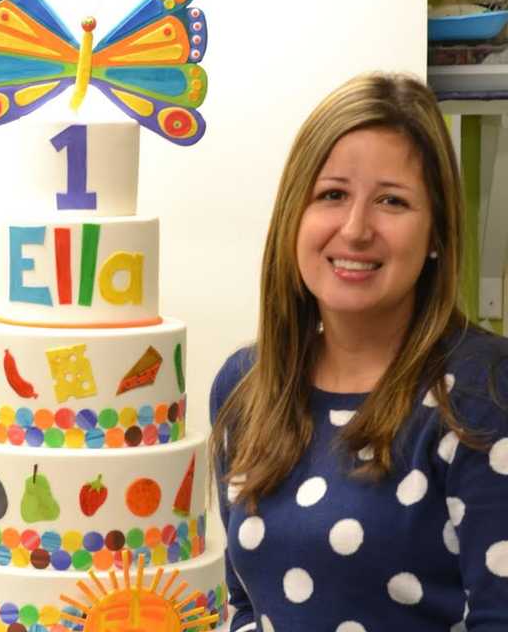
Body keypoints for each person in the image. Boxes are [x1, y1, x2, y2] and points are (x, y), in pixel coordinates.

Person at [209, 72, 508, 632]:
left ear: (438, 232)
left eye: (392, 201)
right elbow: (249, 608)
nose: (355, 228)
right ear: (293, 215)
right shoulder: (246, 388)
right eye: (332, 195)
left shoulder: (484, 391)